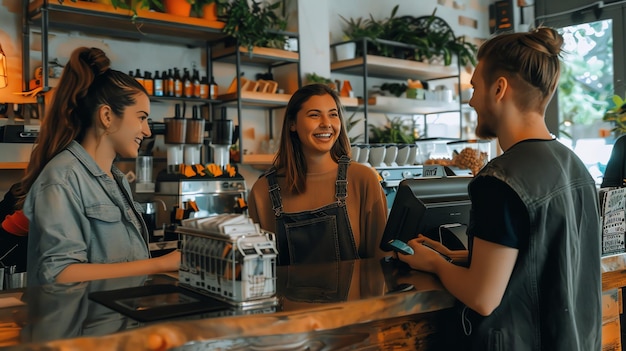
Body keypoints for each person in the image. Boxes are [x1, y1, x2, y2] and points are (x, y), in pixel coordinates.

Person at [398, 27, 601, 350]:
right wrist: (458, 256)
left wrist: (435, 264)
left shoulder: (500, 179)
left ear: (499, 88)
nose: (471, 100)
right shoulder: (574, 166)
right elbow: (544, 257)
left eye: (475, 87)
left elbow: (482, 297)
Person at [17, 47, 180, 286]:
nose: (146, 131)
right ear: (107, 116)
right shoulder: (62, 178)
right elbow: (58, 274)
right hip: (81, 323)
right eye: (141, 117)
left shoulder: (117, 179)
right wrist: (161, 264)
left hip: (117, 319)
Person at [247, 83, 388, 265]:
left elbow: (381, 263)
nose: (326, 123)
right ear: (292, 124)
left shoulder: (363, 179)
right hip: (285, 294)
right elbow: (257, 269)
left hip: (357, 295)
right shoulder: (263, 191)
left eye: (333, 114)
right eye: (314, 115)